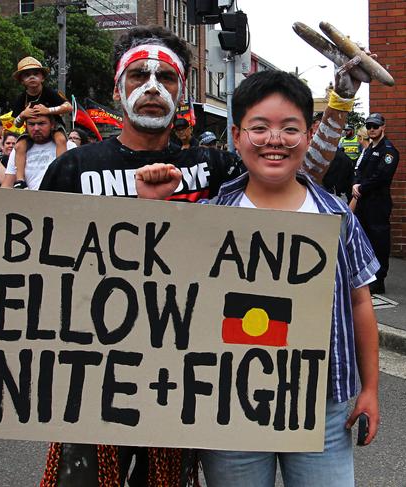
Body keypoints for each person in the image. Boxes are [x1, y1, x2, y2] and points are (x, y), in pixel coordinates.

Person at [0, 24, 359, 487]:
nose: (153, 88)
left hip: (183, 384)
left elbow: (290, 176)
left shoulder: (213, 167)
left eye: (167, 78)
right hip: (92, 378)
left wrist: (337, 109)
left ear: (182, 92)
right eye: (139, 76)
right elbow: (24, 259)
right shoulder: (74, 167)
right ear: (118, 90)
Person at [135, 69, 380, 487]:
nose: (275, 141)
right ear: (236, 135)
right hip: (228, 403)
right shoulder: (209, 215)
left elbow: (359, 302)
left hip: (322, 405)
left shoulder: (336, 216)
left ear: (308, 135)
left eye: (290, 129)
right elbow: (160, 291)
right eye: (260, 128)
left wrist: (371, 388)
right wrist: (152, 213)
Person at [352, 113, 399, 294]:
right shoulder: (369, 149)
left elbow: (381, 177)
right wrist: (356, 184)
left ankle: (379, 280)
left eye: (375, 126)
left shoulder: (389, 151)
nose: (372, 129)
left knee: (379, 241)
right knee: (363, 240)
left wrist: (361, 187)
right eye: (369, 126)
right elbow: (359, 169)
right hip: (363, 201)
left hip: (377, 202)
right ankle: (366, 277)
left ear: (383, 127)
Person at [10, 56, 72, 189]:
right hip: (31, 131)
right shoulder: (21, 98)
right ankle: (20, 180)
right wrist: (23, 115)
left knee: (61, 140)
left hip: (54, 126)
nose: (32, 77)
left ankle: (60, 173)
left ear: (42, 77)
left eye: (36, 74)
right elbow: (15, 123)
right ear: (22, 80)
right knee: (19, 146)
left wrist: (48, 110)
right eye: (27, 75)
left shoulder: (50, 92)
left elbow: (68, 107)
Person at [2, 113, 77, 190]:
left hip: (58, 199)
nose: (36, 128)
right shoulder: (18, 150)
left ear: (52, 125)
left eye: (41, 123)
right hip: (28, 200)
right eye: (31, 124)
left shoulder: (69, 147)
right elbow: (7, 184)